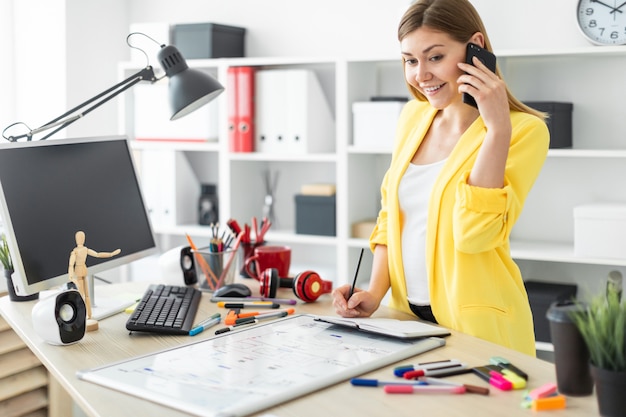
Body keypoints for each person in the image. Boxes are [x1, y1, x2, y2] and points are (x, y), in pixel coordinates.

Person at [332, 0, 549, 355]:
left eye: (435, 57)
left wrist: (495, 131)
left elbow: (475, 235)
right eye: (410, 60)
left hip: (480, 330)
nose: (421, 75)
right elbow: (392, 216)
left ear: (475, 46)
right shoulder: (413, 117)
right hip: (406, 322)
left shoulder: (524, 131)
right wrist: (373, 293)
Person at [68, 230, 121, 331]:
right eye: (80, 238)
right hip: (79, 270)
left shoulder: (83, 249)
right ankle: (83, 316)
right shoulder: (75, 251)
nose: (81, 240)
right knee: (82, 295)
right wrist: (71, 277)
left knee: (86, 295)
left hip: (82, 270)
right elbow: (71, 264)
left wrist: (111, 254)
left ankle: (89, 315)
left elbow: (98, 254)